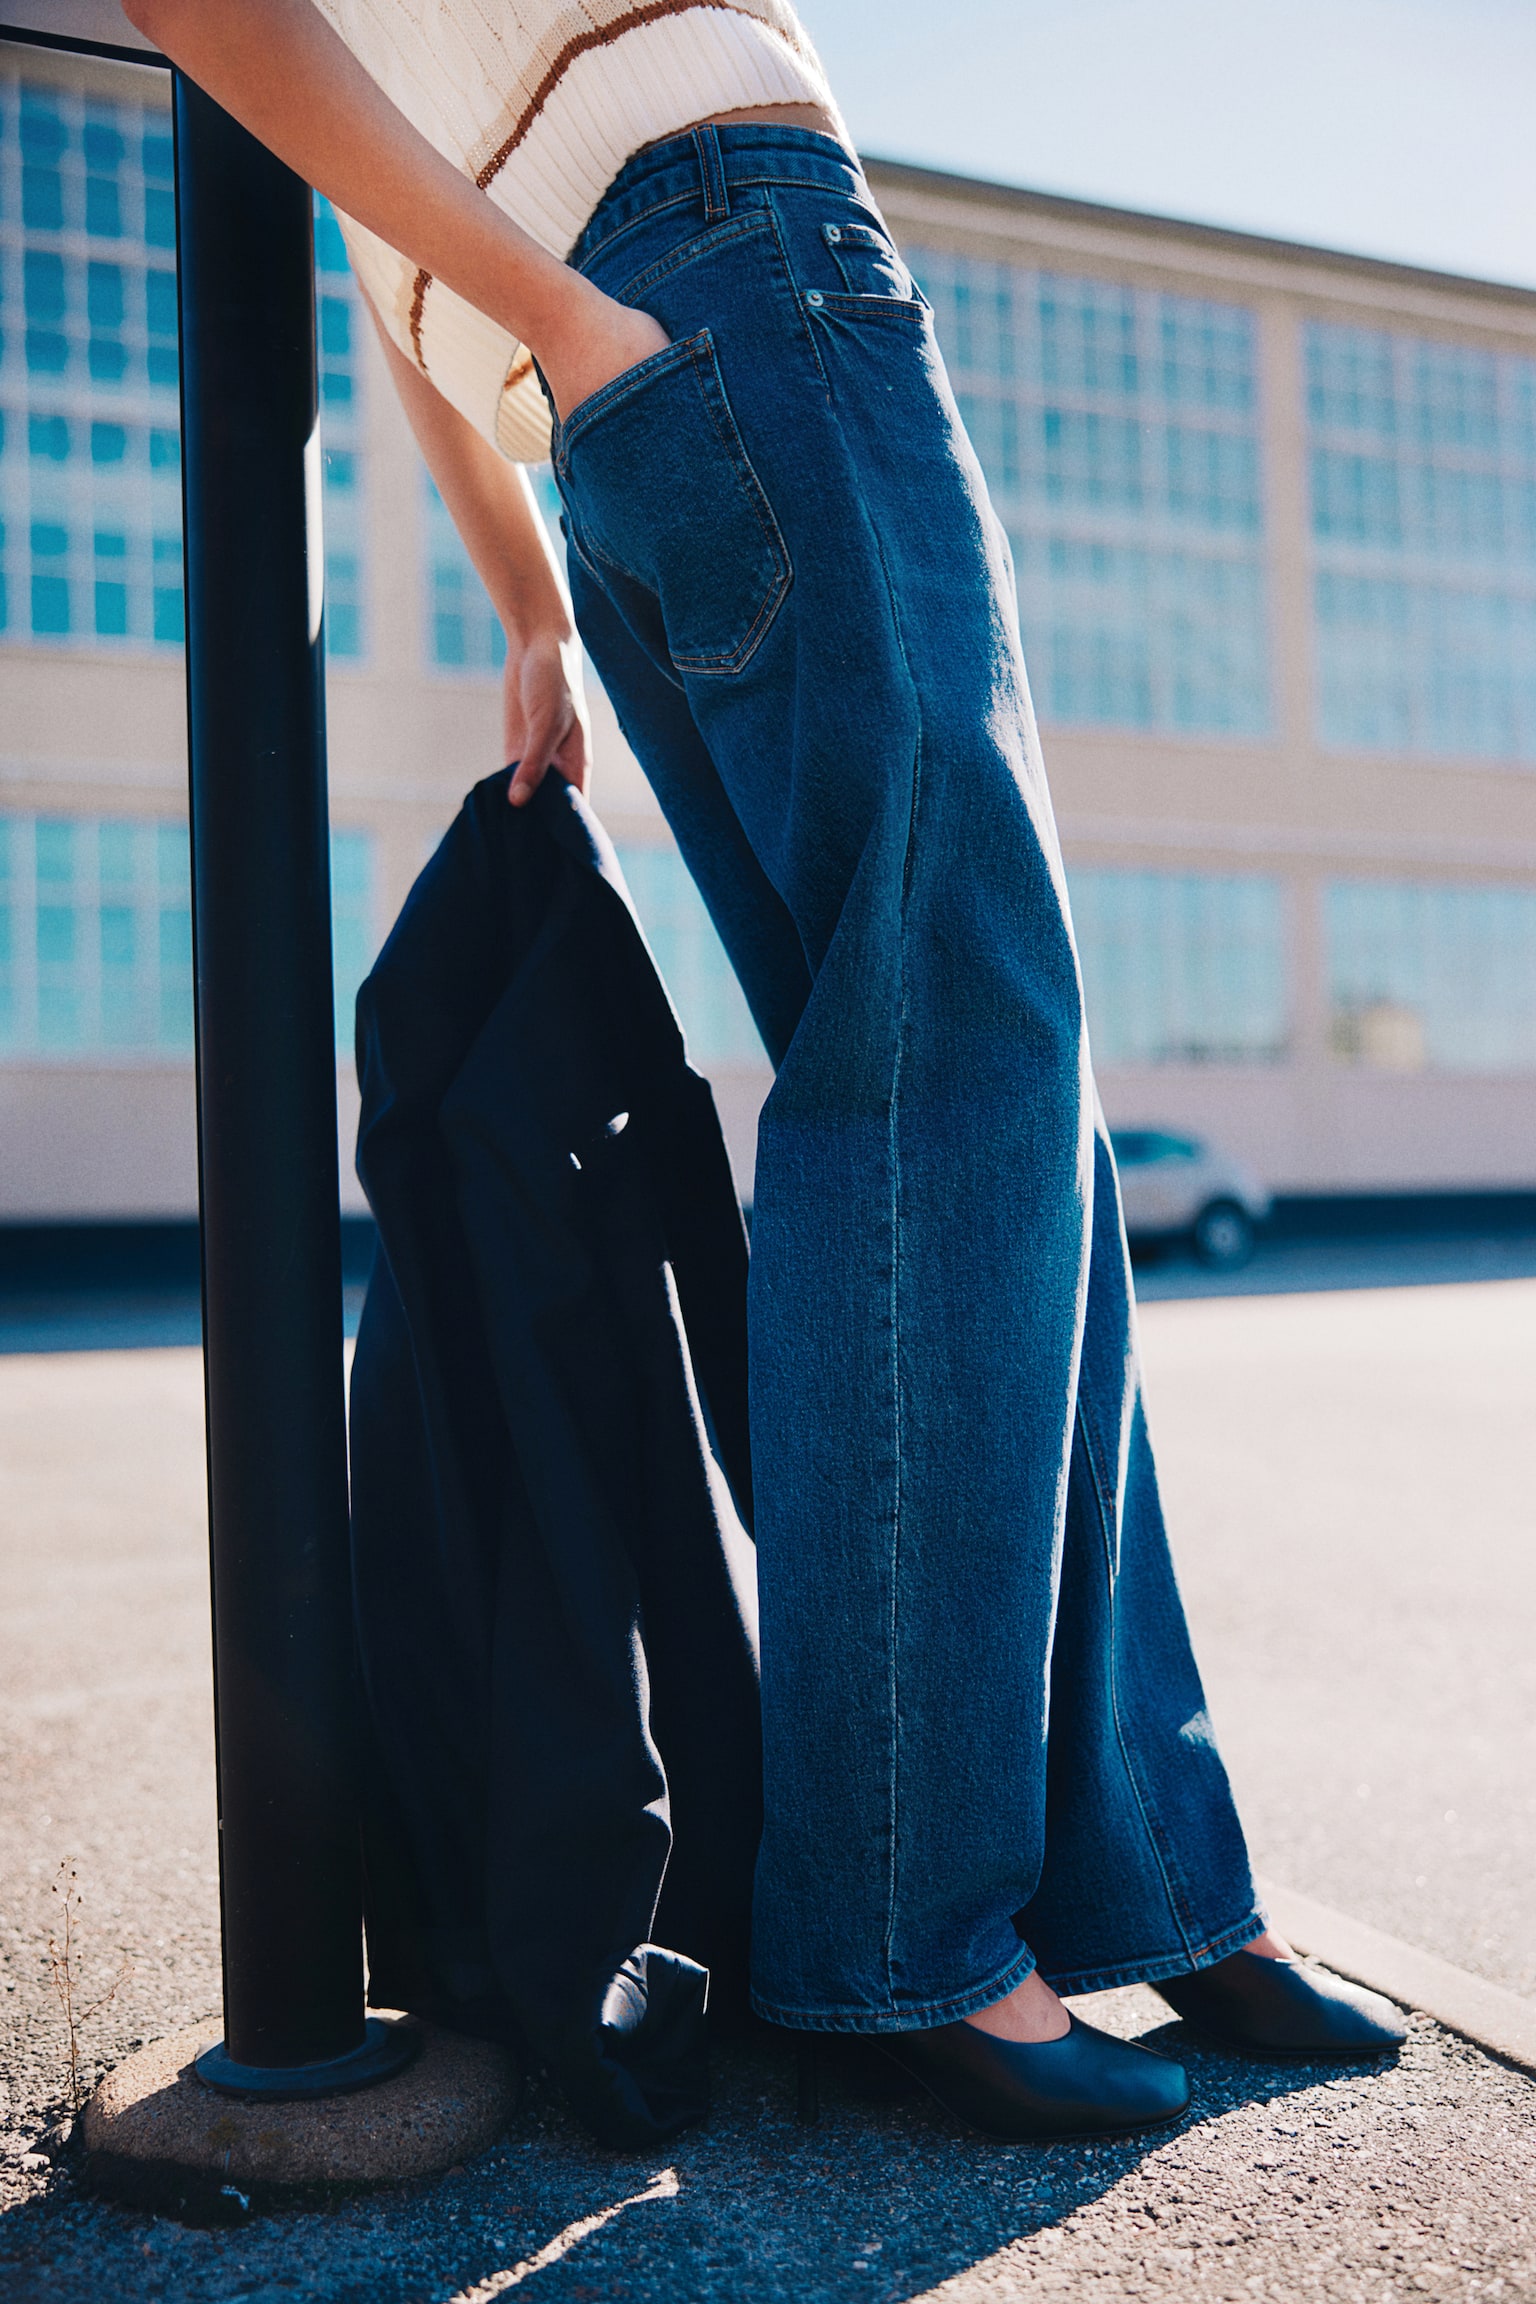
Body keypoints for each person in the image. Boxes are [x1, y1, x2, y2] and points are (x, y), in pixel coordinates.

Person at [129, 0, 1405, 2138]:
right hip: (732, 275)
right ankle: (910, 1937)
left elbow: (394, 265)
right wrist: (571, 323)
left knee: (995, 1120)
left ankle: (1144, 1882)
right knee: (951, 1094)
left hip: (624, 370)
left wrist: (532, 571)